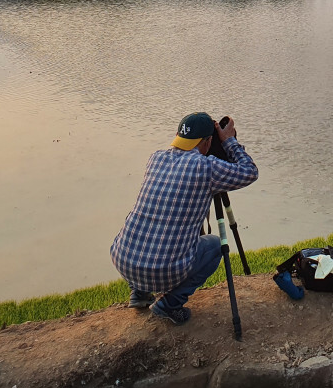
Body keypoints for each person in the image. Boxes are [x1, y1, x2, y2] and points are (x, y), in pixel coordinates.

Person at [110, 112, 258, 325]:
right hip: (162, 271)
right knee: (215, 245)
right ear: (208, 142)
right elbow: (250, 172)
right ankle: (169, 304)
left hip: (123, 260)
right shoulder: (207, 168)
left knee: (149, 227)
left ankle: (139, 292)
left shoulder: (156, 158)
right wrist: (229, 142)